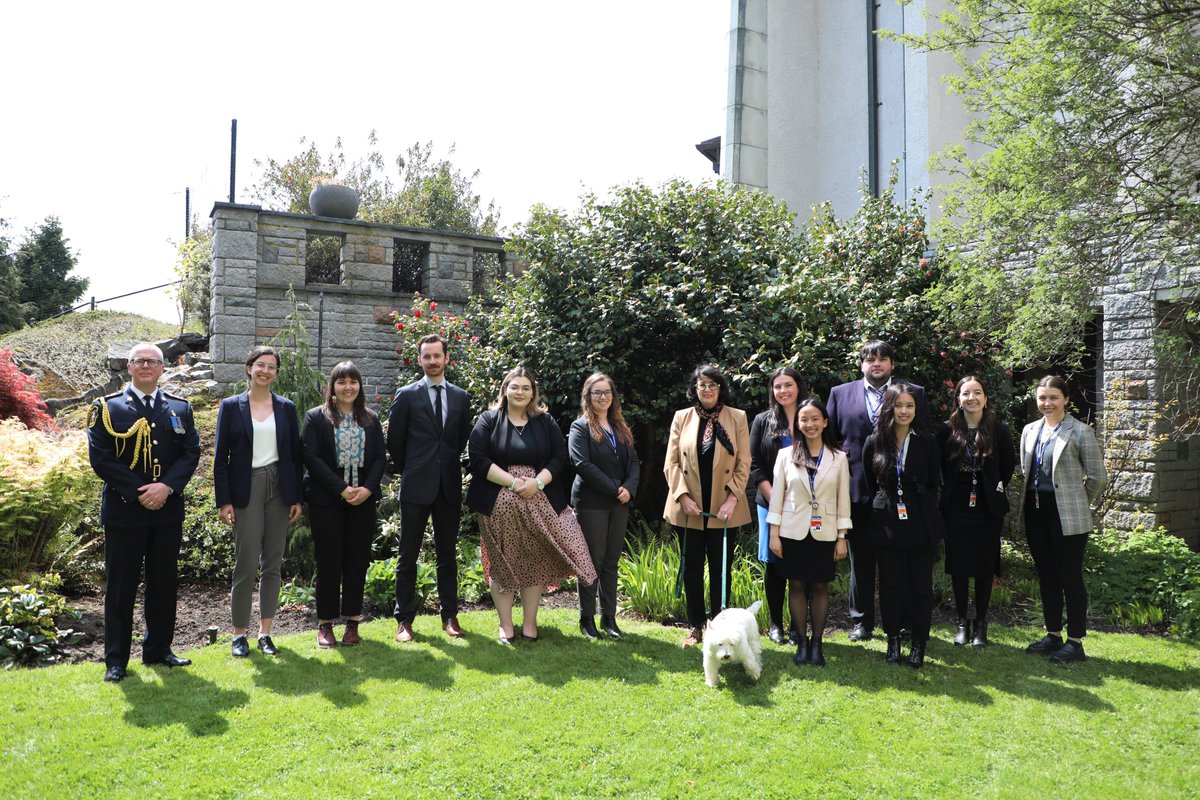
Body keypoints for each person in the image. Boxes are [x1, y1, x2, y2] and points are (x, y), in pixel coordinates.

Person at [87, 342, 201, 682]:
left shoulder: (180, 408)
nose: (147, 366)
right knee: (121, 587)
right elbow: (101, 457)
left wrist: (165, 487)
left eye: (153, 361)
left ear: (163, 368)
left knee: (164, 583)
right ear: (129, 366)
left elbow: (191, 452)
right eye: (140, 361)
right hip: (125, 511)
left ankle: (158, 650)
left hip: (167, 510)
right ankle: (116, 660)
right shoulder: (108, 408)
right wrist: (141, 493)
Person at [466, 367, 597, 644]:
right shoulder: (489, 420)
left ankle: (529, 623)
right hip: (496, 504)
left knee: (534, 560)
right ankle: (505, 624)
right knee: (503, 562)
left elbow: (560, 457)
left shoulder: (544, 422)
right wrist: (514, 483)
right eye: (515, 387)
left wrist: (536, 483)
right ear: (505, 390)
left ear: (533, 393)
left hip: (540, 500)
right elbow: (477, 458)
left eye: (526, 388)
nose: (520, 392)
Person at [826, 340, 930, 642]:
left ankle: (899, 620)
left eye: (883, 359)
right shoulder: (839, 394)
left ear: (892, 365)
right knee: (861, 560)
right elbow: (831, 442)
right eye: (870, 359)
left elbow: (923, 440)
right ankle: (862, 621)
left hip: (900, 494)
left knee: (899, 559)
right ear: (861, 364)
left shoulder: (914, 394)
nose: (877, 364)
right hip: (856, 489)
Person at [213, 346, 304, 658]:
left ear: (276, 373)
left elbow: (294, 455)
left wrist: (295, 497)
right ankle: (239, 635)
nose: (265, 371)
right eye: (260, 365)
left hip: (279, 488)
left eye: (272, 367)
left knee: (273, 564)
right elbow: (220, 458)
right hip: (245, 489)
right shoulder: (231, 406)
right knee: (246, 563)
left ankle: (265, 633)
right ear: (248, 368)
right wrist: (224, 501)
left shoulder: (286, 408)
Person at [387, 334, 472, 642]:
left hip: (448, 486)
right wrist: (412, 468)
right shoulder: (407, 394)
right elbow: (394, 441)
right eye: (427, 356)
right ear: (420, 360)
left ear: (446, 358)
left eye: (438, 356)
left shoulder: (461, 397)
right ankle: (404, 620)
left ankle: (450, 617)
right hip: (416, 485)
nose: (433, 361)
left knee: (447, 555)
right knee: (407, 556)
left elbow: (460, 438)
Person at [1018, 375, 1107, 664]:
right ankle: (1053, 634)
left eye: (1053, 397)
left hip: (1067, 517)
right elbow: (1025, 470)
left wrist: (1077, 503)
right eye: (1042, 397)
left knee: (1070, 579)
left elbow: (1097, 477)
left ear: (1065, 399)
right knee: (1047, 577)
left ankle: (1076, 643)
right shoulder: (1030, 430)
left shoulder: (1080, 431)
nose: (1047, 403)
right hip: (1035, 514)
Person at [663, 365, 752, 648]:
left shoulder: (737, 417)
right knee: (691, 569)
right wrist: (683, 496)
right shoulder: (682, 417)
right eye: (702, 386)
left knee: (720, 570)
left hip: (723, 509)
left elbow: (744, 463)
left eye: (713, 385)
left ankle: (720, 628)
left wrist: (732, 498)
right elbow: (672, 463)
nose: (708, 390)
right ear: (695, 389)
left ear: (721, 388)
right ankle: (695, 627)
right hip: (689, 509)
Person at [301, 361, 386, 648]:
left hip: (362, 500)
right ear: (332, 386)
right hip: (326, 500)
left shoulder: (371, 419)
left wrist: (367, 488)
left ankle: (352, 622)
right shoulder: (316, 418)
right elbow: (310, 457)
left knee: (356, 561)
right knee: (328, 562)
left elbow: (378, 459)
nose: (347, 387)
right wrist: (341, 489)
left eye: (353, 381)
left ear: (359, 386)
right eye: (341, 382)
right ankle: (325, 625)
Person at [862, 383, 944, 668]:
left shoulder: (927, 441)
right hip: (886, 524)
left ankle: (918, 643)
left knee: (921, 587)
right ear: (889, 408)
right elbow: (870, 483)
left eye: (910, 405)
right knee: (890, 585)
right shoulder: (875, 441)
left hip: (920, 521)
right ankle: (893, 639)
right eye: (899, 405)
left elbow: (935, 482)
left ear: (916, 409)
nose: (904, 411)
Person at [766, 398, 850, 667]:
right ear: (798, 424)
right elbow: (777, 497)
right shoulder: (785, 456)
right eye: (804, 419)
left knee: (820, 586)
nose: (810, 424)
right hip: (792, 531)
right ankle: (801, 643)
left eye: (815, 419)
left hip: (824, 532)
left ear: (825, 422)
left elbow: (843, 500)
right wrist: (773, 534)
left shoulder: (839, 458)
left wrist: (842, 537)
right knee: (797, 585)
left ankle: (818, 644)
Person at [935, 375, 1014, 648]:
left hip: (987, 508)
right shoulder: (946, 431)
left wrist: (991, 486)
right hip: (955, 507)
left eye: (977, 392)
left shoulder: (998, 430)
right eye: (966, 393)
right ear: (958, 398)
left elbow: (1007, 468)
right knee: (958, 566)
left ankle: (980, 623)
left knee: (983, 567)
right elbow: (940, 468)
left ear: (985, 397)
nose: (972, 398)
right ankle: (960, 622)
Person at [568, 372, 640, 639]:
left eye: (607, 392)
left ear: (613, 396)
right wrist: (614, 489)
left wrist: (629, 489)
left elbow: (633, 462)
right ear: (588, 396)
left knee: (611, 561)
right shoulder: (580, 427)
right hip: (592, 503)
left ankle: (609, 618)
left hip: (620, 503)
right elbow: (581, 465)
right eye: (597, 392)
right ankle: (587, 620)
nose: (603, 397)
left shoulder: (620, 426)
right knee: (591, 561)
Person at [749, 367, 805, 645]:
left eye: (788, 385)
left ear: (798, 387)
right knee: (774, 563)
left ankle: (798, 625)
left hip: (806, 505)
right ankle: (775, 624)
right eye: (777, 386)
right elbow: (755, 464)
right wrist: (775, 498)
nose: (783, 391)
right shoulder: (763, 421)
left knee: (799, 562)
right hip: (770, 502)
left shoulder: (811, 416)